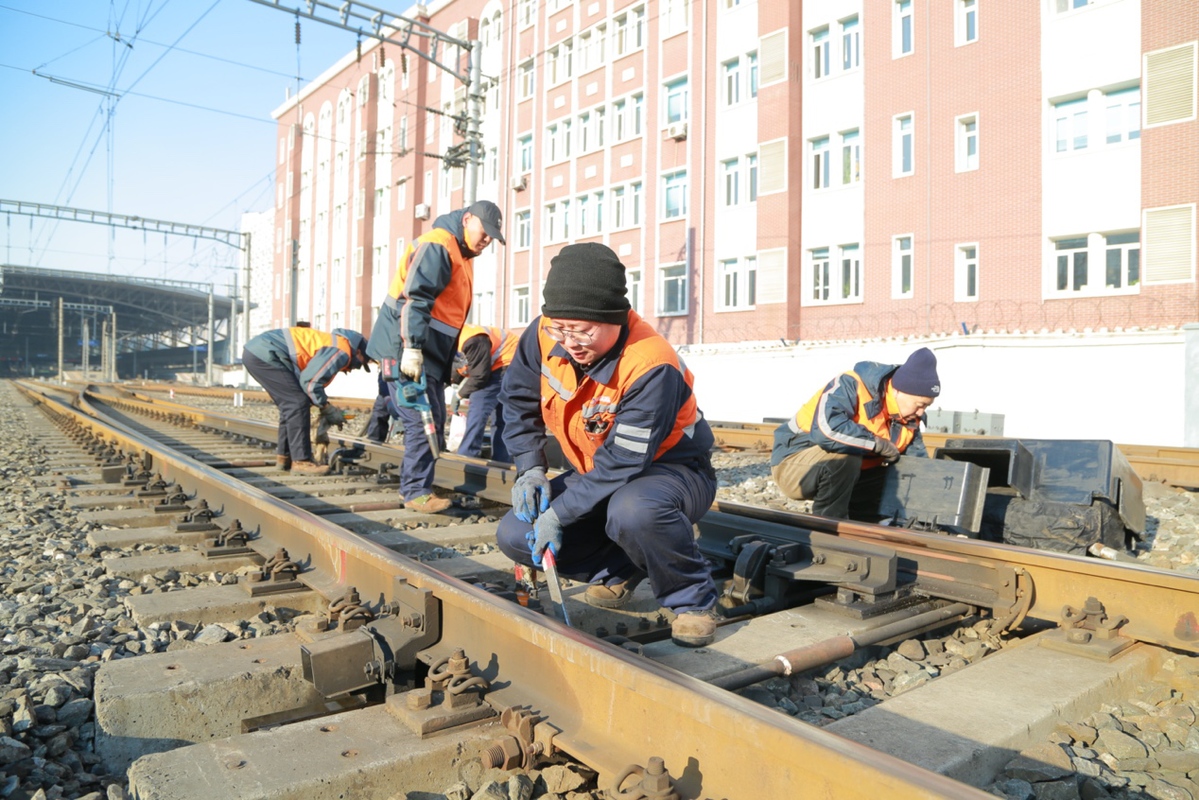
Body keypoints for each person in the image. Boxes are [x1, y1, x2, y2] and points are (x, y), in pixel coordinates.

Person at [496, 243, 721, 648]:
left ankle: (692, 599)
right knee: (515, 533)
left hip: (672, 473)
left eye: (582, 330)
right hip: (597, 474)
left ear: (614, 318)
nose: (570, 342)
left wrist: (560, 512)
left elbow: (623, 462)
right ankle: (621, 569)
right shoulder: (545, 335)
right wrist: (530, 466)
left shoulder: (651, 363)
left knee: (635, 510)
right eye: (560, 329)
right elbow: (517, 400)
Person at [366, 200, 505, 513]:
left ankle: (418, 484)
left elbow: (445, 314)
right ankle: (415, 491)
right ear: (467, 219)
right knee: (421, 418)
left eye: (491, 237)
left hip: (425, 351)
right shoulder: (439, 245)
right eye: (484, 232)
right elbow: (417, 298)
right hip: (404, 346)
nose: (486, 240)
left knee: (433, 418)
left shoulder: (462, 252)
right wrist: (412, 347)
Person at [770, 348, 941, 521]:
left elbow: (917, 468)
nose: (921, 412)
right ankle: (829, 526)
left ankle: (868, 523)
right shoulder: (851, 384)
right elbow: (826, 430)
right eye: (919, 404)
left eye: (926, 406)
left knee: (903, 474)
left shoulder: (910, 418)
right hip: (793, 466)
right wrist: (876, 443)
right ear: (897, 391)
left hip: (853, 477)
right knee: (845, 457)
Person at [242, 326, 372, 475]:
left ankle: (284, 457)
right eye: (362, 363)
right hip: (266, 353)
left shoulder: (335, 344)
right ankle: (301, 462)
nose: (357, 368)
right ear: (359, 352)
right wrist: (326, 408)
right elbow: (310, 383)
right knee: (296, 403)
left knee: (291, 404)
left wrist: (320, 404)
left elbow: (308, 383)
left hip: (259, 351)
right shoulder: (341, 350)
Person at [453, 323, 518, 461]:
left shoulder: (473, 339)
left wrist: (459, 394)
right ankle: (502, 459)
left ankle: (467, 456)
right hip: (504, 363)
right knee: (501, 416)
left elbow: (479, 376)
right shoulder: (457, 338)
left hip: (507, 362)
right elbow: (460, 366)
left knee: (478, 406)